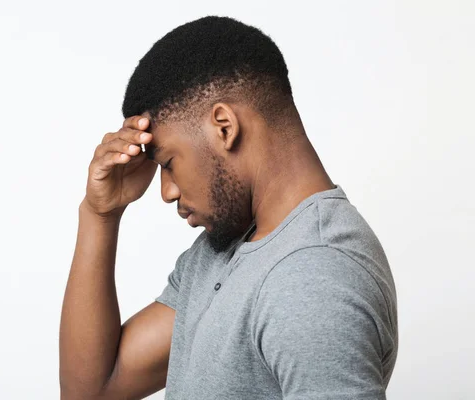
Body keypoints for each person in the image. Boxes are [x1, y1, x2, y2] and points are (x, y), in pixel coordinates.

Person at [59, 15, 398, 400]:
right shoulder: (223, 252)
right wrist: (100, 214)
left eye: (167, 163)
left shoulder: (312, 273)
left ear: (224, 127)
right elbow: (93, 390)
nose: (166, 192)